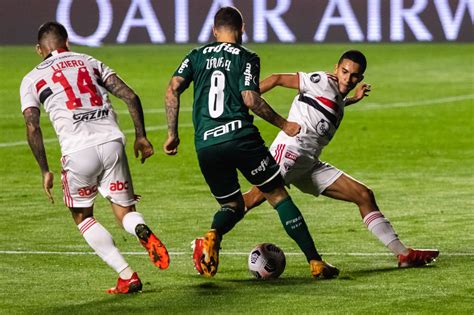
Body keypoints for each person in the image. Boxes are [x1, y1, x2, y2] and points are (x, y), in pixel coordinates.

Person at [163, 6, 338, 279]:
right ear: (242, 29)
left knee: (232, 205)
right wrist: (284, 124)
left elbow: (173, 88)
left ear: (213, 30)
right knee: (277, 195)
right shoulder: (246, 57)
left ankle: (212, 234)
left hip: (206, 144)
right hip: (241, 138)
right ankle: (315, 261)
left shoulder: (195, 55)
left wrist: (172, 133)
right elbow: (250, 98)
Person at [243, 50, 439, 268]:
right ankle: (212, 236)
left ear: (360, 79)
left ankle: (404, 255)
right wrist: (245, 98)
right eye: (344, 71)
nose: (348, 78)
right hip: (290, 150)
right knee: (254, 198)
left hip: (309, 163)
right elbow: (277, 79)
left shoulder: (337, 95)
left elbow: (332, 104)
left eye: (354, 75)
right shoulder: (320, 80)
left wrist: (353, 99)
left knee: (364, 195)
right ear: (336, 69)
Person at [20, 21, 170, 294]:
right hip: (112, 142)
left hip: (78, 150)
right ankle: (140, 229)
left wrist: (44, 170)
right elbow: (130, 96)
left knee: (82, 215)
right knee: (125, 211)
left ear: (39, 49)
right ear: (67, 41)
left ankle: (127, 275)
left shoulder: (31, 78)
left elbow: (32, 125)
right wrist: (141, 136)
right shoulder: (89, 61)